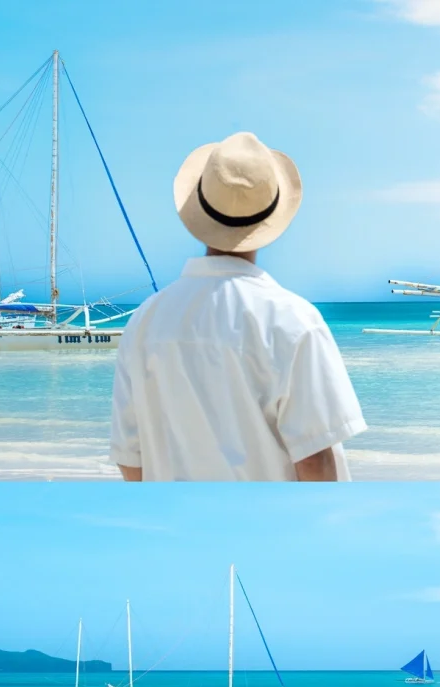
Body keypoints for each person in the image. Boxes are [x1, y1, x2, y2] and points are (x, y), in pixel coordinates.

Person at [110, 131, 366, 481]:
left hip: (174, 532)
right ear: (270, 216)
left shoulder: (145, 321)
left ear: (200, 209)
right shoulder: (293, 320)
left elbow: (130, 460)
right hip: (270, 533)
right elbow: (314, 460)